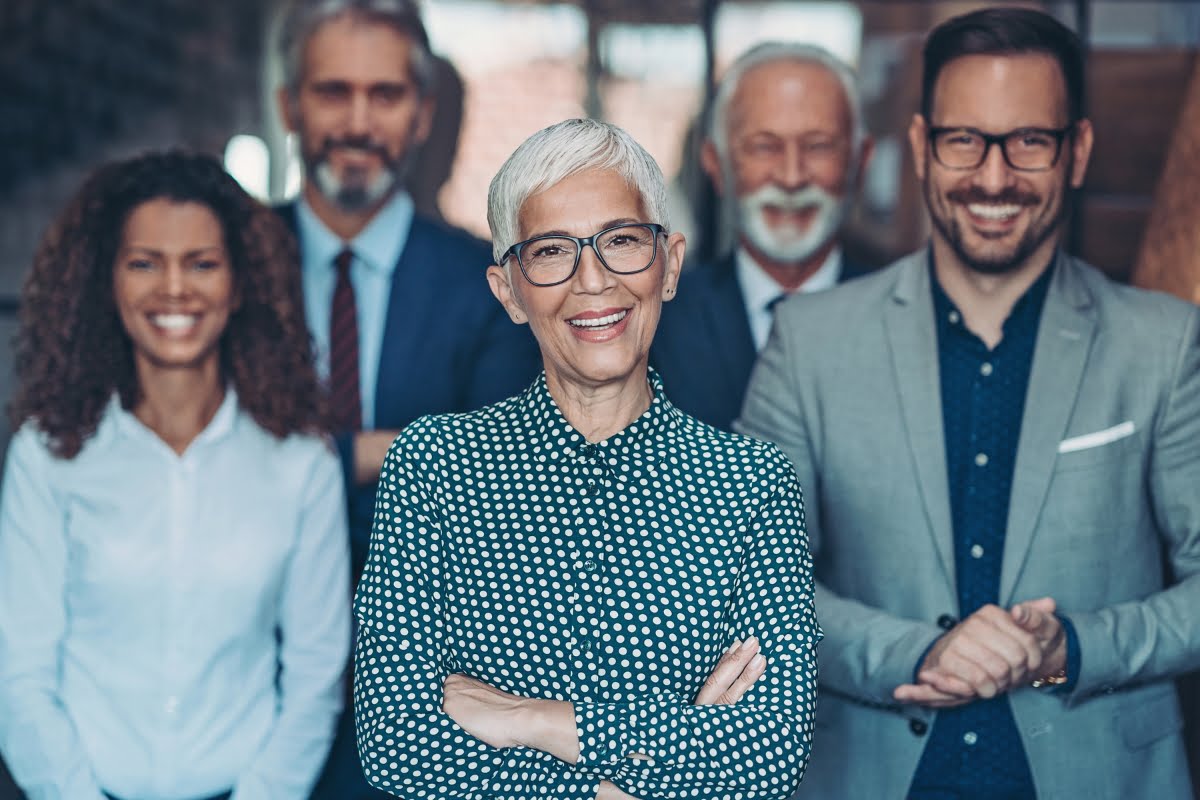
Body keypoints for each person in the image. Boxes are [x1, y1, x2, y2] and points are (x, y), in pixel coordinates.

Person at [738, 8, 1200, 800]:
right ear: (921, 147)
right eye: (965, 140)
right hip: (869, 775)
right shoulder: (808, 342)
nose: (993, 177)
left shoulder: (1165, 341)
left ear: (1077, 151)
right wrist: (915, 654)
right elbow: (748, 580)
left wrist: (1074, 647)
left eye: (1029, 141)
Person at [353, 118, 821, 800]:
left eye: (623, 241)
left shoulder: (752, 485)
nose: (593, 280)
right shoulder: (433, 467)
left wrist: (531, 719)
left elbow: (769, 753)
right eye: (550, 252)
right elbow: (396, 741)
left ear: (670, 266)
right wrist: (630, 778)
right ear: (508, 290)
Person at [0, 151, 350, 800]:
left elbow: (314, 677)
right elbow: (19, 678)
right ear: (108, 281)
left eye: (202, 264)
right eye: (144, 263)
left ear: (240, 284)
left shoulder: (302, 461)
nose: (174, 290)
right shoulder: (46, 455)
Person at [273, 0, 541, 576]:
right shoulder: (224, 265)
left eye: (386, 95)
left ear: (422, 115)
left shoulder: (491, 287)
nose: (358, 124)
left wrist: (306, 455)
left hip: (431, 634)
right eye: (333, 92)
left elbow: (499, 480)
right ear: (288, 106)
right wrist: (379, 453)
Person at [652, 42, 874, 430]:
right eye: (764, 147)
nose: (791, 177)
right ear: (714, 163)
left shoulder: (908, 325)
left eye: (818, 146)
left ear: (861, 161)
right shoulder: (656, 324)